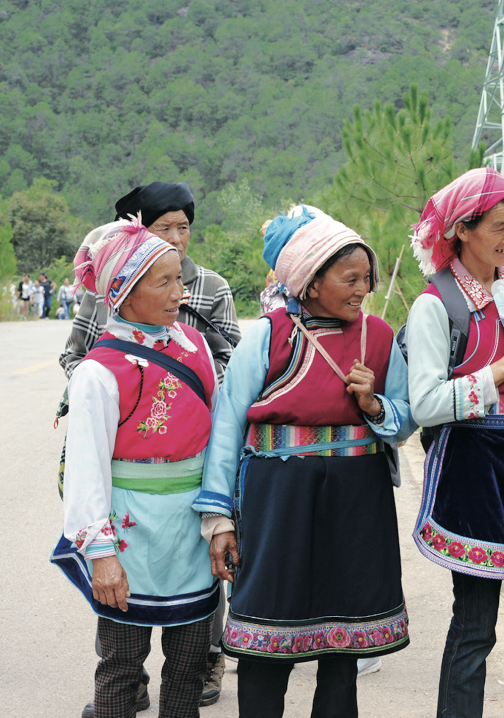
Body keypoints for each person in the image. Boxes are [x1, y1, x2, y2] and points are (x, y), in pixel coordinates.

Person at [196, 204, 415, 718]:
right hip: (279, 496)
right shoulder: (269, 335)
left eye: (368, 278)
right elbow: (228, 425)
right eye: (350, 278)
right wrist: (219, 519)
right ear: (310, 282)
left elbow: (406, 420)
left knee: (342, 645)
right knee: (267, 635)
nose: (364, 289)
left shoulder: (378, 337)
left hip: (357, 498)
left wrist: (375, 406)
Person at [58, 182, 240, 717]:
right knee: (119, 670)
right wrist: (102, 555)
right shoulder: (98, 371)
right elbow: (89, 471)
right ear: (124, 292)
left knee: (186, 671)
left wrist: (219, 522)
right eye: (163, 283)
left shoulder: (195, 346)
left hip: (191, 530)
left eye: (178, 280)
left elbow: (216, 440)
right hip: (128, 535)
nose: (178, 292)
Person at [405, 167, 504, 718]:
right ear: (462, 230)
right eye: (498, 226)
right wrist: (498, 373)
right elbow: (425, 404)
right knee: (474, 627)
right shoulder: (436, 305)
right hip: (476, 473)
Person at [61, 182, 241, 383]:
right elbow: (74, 355)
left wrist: (175, 389)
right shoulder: (108, 287)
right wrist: (100, 389)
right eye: (164, 228)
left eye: (183, 228)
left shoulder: (213, 287)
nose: (175, 238)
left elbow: (231, 360)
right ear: (140, 234)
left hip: (193, 410)